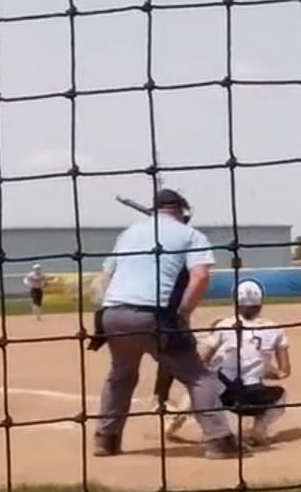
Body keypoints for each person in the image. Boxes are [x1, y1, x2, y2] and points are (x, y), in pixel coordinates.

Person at [87, 188, 243, 459]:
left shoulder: (129, 233)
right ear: (182, 210)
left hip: (112, 314)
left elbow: (107, 277)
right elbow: (200, 277)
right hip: (155, 315)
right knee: (197, 376)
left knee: (120, 376)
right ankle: (219, 441)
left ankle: (106, 440)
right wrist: (182, 313)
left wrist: (112, 305)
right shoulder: (191, 235)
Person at [169, 278, 291, 445]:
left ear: (235, 302)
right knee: (281, 396)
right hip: (254, 398)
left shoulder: (224, 325)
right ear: (261, 303)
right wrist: (262, 369)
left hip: (223, 395)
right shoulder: (275, 329)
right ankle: (258, 430)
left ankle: (179, 415)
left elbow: (202, 360)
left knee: (202, 383)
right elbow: (284, 372)